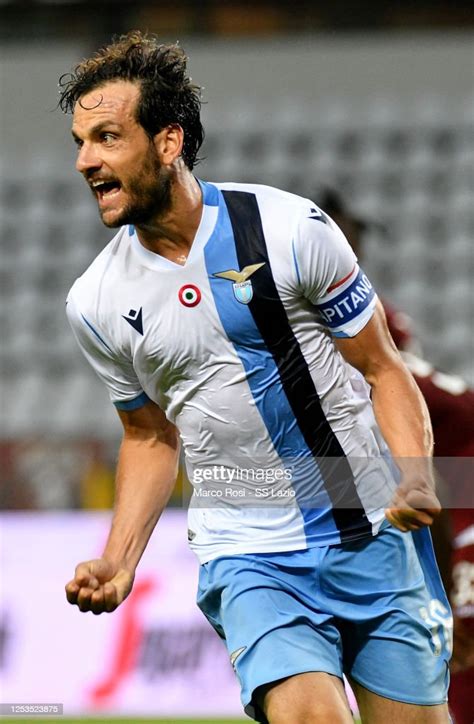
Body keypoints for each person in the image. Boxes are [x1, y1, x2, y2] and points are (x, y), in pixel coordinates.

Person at [61, 31, 452, 724]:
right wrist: (119, 560)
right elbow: (149, 436)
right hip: (249, 551)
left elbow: (381, 368)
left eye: (108, 137)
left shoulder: (289, 229)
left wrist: (415, 474)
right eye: (81, 141)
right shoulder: (95, 302)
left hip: (373, 528)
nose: (88, 159)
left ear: (169, 141)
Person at [317, 187, 474, 724]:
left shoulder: (368, 325)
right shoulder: (352, 318)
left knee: (461, 646)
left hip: (454, 487)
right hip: (422, 494)